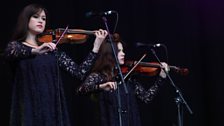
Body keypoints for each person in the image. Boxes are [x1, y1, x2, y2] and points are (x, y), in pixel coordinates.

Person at [4, 3, 108, 126]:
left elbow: (79, 73)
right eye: (36, 17)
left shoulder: (52, 50)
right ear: (26, 19)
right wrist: (36, 50)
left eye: (43, 18)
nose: (41, 21)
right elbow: (10, 53)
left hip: (51, 107)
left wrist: (95, 47)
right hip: (29, 105)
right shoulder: (16, 47)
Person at [77, 33, 169, 126]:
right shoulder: (99, 76)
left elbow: (146, 97)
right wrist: (101, 86)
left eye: (123, 51)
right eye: (119, 51)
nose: (123, 53)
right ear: (110, 52)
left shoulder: (127, 77)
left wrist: (161, 77)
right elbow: (81, 89)